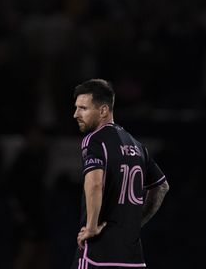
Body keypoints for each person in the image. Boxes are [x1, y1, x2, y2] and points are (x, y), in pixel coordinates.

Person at [71, 79, 169, 269]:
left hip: (98, 255)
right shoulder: (137, 146)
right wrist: (135, 223)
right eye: (76, 108)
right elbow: (162, 186)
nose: (75, 114)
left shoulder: (94, 140)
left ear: (103, 110)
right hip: (133, 258)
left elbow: (95, 183)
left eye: (83, 108)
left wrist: (91, 227)